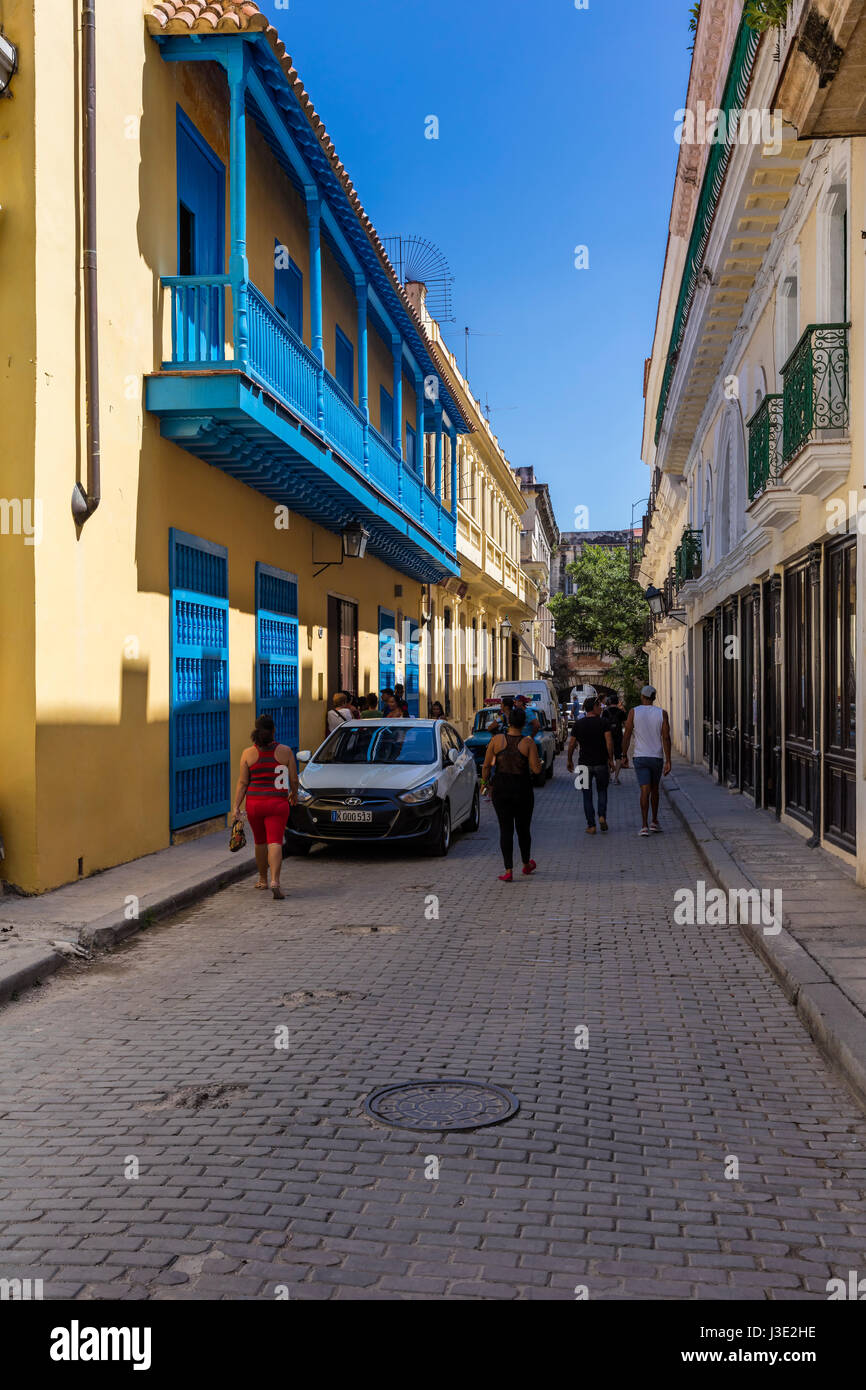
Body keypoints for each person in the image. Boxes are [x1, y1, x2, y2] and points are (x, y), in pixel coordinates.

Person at [232, 715, 298, 900]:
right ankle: (275, 881)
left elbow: (243, 783)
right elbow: (293, 778)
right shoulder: (285, 751)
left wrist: (236, 806)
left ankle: (262, 879)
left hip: (254, 804)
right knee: (275, 841)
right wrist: (294, 794)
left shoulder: (247, 754)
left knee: (260, 842)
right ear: (274, 730)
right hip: (277, 804)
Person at [481, 705, 542, 882]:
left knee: (505, 829)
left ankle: (508, 870)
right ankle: (525, 864)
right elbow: (537, 770)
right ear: (524, 724)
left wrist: (484, 783)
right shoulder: (528, 742)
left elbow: (486, 766)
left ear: (508, 721)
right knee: (523, 830)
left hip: (501, 790)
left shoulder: (497, 740)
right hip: (522, 790)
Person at [621, 684, 672, 836]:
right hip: (656, 757)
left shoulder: (633, 712)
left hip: (640, 757)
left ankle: (644, 826)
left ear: (642, 697)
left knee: (644, 790)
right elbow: (666, 737)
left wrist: (624, 755)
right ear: (654, 698)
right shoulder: (662, 713)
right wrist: (668, 760)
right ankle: (654, 821)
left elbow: (627, 734)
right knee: (655, 789)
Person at [567, 695, 614, 834]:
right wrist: (610, 759)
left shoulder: (578, 724)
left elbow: (571, 744)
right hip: (601, 762)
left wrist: (569, 760)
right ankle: (601, 816)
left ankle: (591, 825)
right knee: (602, 791)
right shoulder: (603, 722)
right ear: (593, 707)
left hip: (583, 764)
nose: (601, 708)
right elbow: (609, 742)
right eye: (599, 705)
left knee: (586, 795)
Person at [604, 693, 627, 785]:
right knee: (618, 757)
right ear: (617, 702)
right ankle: (616, 778)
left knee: (608, 756)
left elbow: (602, 725)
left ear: (609, 702)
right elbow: (626, 725)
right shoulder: (621, 712)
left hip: (607, 736)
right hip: (618, 736)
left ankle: (608, 777)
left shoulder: (605, 712)